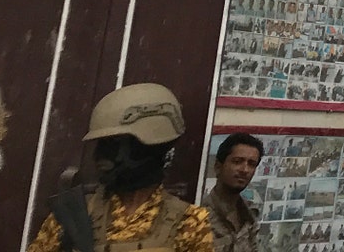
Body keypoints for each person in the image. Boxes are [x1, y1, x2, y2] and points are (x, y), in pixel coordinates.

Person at [27, 82, 215, 252]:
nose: (99, 156)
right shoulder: (74, 215)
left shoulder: (190, 223)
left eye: (113, 144)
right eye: (101, 144)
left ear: (149, 147)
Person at [206, 132, 263, 252]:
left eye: (251, 164)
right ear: (218, 166)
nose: (245, 170)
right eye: (237, 162)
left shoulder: (249, 215)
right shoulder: (200, 214)